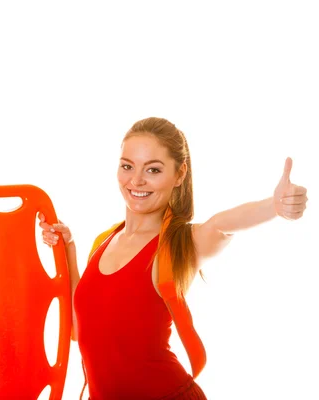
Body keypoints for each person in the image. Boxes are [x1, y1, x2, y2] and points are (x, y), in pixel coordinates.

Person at [39, 117, 308, 399]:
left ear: (179, 174)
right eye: (127, 166)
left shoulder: (181, 243)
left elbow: (220, 225)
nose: (136, 180)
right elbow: (81, 332)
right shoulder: (103, 242)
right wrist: (68, 249)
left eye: (153, 170)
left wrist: (274, 206)